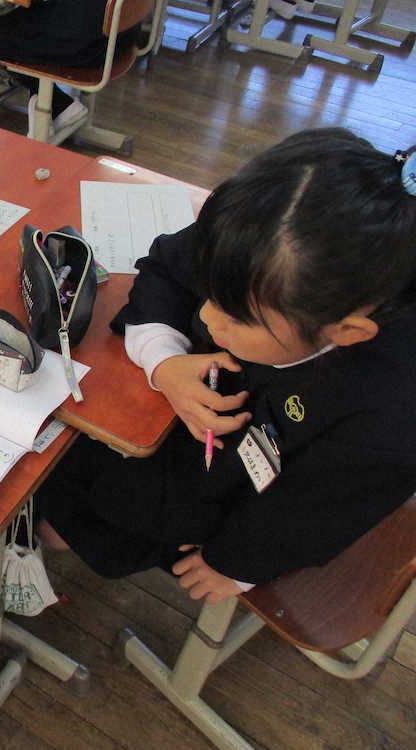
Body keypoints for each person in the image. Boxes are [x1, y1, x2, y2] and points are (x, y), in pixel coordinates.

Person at [37, 129, 416, 603]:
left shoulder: (390, 415)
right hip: (177, 429)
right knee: (65, 460)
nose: (210, 317)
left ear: (346, 331)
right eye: (210, 291)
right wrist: (164, 360)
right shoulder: (256, 243)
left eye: (238, 316)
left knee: (101, 518)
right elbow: (166, 266)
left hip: (227, 493)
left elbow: (316, 510)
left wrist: (235, 565)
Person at [0, 0, 141, 139]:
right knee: (22, 19)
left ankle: (58, 105)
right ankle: (58, 106)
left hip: (93, 49)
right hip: (123, 37)